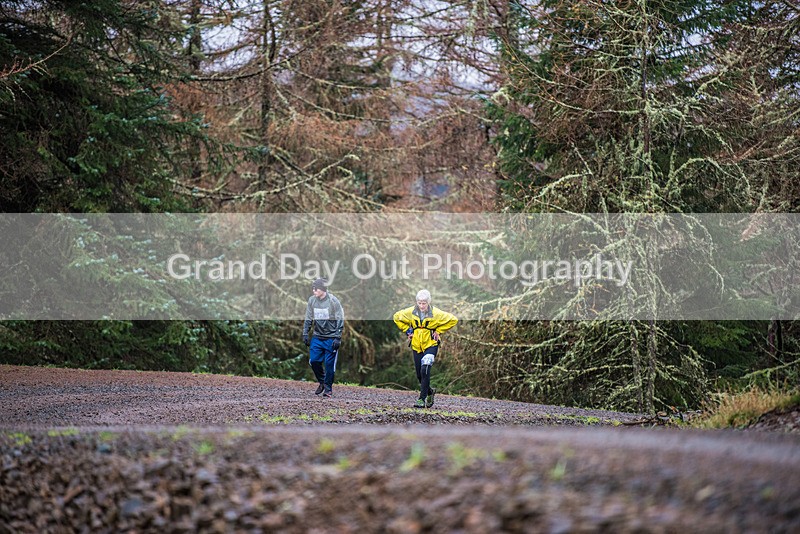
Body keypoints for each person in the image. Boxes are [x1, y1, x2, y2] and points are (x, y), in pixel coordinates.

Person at [393, 289, 458, 408]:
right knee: (419, 374)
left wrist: (439, 331)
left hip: (431, 344)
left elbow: (453, 319)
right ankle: (430, 392)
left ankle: (421, 399)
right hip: (416, 345)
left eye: (424, 303)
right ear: (416, 302)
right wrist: (408, 330)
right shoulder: (410, 312)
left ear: (428, 302)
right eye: (419, 303)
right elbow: (396, 317)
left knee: (425, 368)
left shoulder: (437, 313)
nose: (422, 305)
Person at [303, 278, 344, 397]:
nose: (314, 290)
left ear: (323, 289)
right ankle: (322, 381)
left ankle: (328, 389)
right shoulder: (312, 300)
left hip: (331, 338)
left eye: (316, 288)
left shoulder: (333, 301)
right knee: (314, 361)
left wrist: (338, 337)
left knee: (329, 364)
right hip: (317, 336)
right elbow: (308, 317)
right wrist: (305, 333)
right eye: (313, 288)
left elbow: (340, 319)